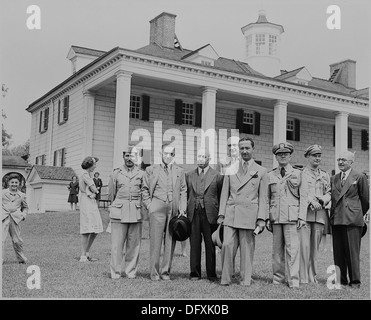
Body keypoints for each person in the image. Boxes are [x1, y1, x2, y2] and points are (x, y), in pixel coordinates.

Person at [217, 137, 268, 286]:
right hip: (231, 213)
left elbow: (263, 198)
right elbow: (224, 194)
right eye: (242, 148)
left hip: (249, 215)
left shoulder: (261, 171)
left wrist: (261, 219)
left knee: (247, 249)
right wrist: (221, 214)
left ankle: (245, 279)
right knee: (226, 245)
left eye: (247, 148)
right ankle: (226, 278)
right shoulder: (230, 169)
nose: (244, 151)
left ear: (253, 149)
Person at [142, 143, 187, 281]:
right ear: (160, 153)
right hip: (157, 205)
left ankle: (165, 272)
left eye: (171, 154)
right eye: (166, 153)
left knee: (170, 240)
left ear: (174, 155)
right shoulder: (151, 170)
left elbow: (183, 190)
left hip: (172, 208)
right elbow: (144, 189)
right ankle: (154, 273)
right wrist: (150, 206)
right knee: (155, 241)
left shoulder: (179, 171)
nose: (168, 156)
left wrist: (182, 208)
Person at [266, 142, 307, 288]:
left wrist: (302, 217)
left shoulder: (298, 174)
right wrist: (266, 217)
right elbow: (267, 198)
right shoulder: (270, 175)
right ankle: (277, 279)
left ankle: (293, 280)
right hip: (275, 217)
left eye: (285, 154)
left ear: (290, 156)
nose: (282, 156)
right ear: (276, 157)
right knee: (276, 251)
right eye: (279, 154)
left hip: (292, 217)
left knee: (292, 250)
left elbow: (304, 198)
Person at [330, 150, 369, 288]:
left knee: (352, 253)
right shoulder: (334, 178)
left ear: (351, 162)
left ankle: (355, 282)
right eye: (339, 159)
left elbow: (365, 200)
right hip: (337, 220)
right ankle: (341, 280)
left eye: (344, 160)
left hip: (352, 220)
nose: (340, 162)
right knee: (338, 253)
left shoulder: (359, 176)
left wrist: (356, 214)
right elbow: (333, 199)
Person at [185, 148, 224, 282]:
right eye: (199, 156)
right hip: (193, 213)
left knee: (210, 244)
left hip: (210, 214)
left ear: (209, 159)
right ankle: (194, 273)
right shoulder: (189, 175)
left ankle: (211, 274)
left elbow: (220, 196)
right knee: (194, 244)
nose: (201, 159)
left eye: (204, 157)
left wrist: (220, 214)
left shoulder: (217, 175)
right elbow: (186, 194)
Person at [107, 147, 145, 279]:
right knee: (117, 245)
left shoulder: (142, 174)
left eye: (132, 156)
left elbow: (144, 192)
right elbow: (111, 194)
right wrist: (112, 208)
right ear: (123, 157)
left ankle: (130, 272)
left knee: (134, 245)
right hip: (119, 211)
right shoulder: (116, 173)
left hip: (135, 211)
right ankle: (115, 273)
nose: (129, 158)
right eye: (127, 155)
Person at [299, 144, 331, 284]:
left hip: (320, 216)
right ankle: (303, 276)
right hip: (306, 214)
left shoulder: (325, 175)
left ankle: (313, 276)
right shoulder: (300, 173)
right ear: (307, 157)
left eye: (319, 156)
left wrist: (323, 200)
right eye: (314, 155)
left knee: (314, 248)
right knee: (304, 247)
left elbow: (330, 192)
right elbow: (298, 192)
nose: (317, 158)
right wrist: (311, 201)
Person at [79, 156, 103, 262]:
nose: (95, 166)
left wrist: (92, 192)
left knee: (94, 229)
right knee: (87, 228)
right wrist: (94, 191)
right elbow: (93, 188)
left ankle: (87, 252)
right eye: (94, 164)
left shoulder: (89, 175)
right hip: (86, 203)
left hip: (91, 202)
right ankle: (83, 255)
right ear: (90, 165)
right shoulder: (85, 175)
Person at [2, 173, 29, 264]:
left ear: (19, 184)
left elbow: (25, 207)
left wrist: (23, 215)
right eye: (12, 182)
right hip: (3, 218)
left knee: (17, 240)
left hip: (15, 219)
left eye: (16, 182)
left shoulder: (22, 195)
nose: (14, 184)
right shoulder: (2, 193)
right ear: (8, 183)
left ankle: (21, 258)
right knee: (2, 240)